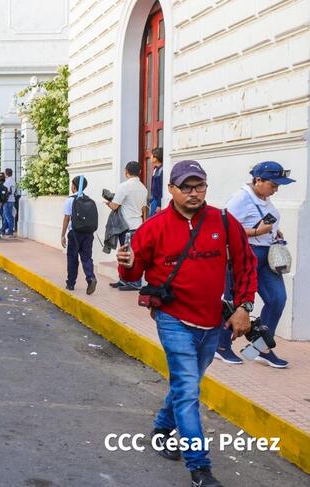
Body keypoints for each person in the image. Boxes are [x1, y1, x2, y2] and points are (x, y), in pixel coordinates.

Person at [116, 160, 257, 487]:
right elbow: (133, 275)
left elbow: (245, 262)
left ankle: (162, 429)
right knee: (188, 389)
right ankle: (200, 468)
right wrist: (127, 265)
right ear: (172, 190)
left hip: (211, 323)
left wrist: (244, 306)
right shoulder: (155, 226)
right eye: (186, 187)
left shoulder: (223, 221)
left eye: (199, 186)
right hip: (172, 319)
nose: (194, 193)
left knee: (185, 386)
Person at [215, 161, 295, 368]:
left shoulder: (264, 198)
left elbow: (261, 224)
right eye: (273, 184)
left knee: (277, 299)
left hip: (266, 256)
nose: (276, 189)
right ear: (258, 180)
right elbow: (225, 230)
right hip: (243, 255)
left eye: (278, 186)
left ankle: (259, 349)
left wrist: (274, 232)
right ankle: (221, 347)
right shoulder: (241, 198)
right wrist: (257, 232)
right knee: (233, 303)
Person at [106, 161, 148, 291]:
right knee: (130, 254)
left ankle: (134, 283)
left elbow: (115, 205)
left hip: (126, 225)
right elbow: (143, 209)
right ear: (139, 172)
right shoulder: (143, 188)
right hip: (138, 225)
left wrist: (108, 203)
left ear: (126, 172)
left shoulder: (123, 186)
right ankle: (124, 280)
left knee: (127, 254)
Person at [61, 176, 97, 295]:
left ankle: (71, 283)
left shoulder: (70, 200)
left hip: (75, 233)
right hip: (88, 233)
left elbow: (67, 219)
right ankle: (91, 277)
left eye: (72, 185)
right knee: (86, 257)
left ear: (74, 186)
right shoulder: (89, 200)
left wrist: (62, 235)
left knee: (72, 257)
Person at [149, 148, 163, 216]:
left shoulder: (162, 170)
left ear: (156, 158)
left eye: (151, 155)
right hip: (153, 200)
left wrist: (159, 205)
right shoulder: (155, 169)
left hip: (157, 202)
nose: (150, 157)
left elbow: (161, 189)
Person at [2, 168, 17, 235]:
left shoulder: (7, 181)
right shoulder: (13, 181)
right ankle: (3, 229)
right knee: (6, 215)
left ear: (6, 173)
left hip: (7, 200)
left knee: (8, 216)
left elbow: (5, 191)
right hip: (12, 199)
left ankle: (10, 230)